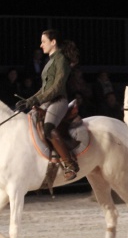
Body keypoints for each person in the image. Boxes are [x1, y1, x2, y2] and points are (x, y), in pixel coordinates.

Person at [16, 29, 80, 180]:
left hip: (58, 100)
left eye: (43, 41)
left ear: (53, 42)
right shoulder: (50, 61)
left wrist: (36, 100)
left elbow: (57, 88)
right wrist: (29, 100)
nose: (41, 44)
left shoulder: (61, 60)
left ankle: (69, 164)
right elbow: (44, 88)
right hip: (47, 100)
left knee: (48, 129)